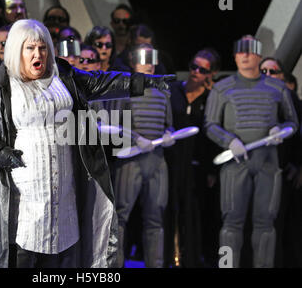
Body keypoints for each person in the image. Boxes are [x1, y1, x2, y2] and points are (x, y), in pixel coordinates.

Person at [0, 19, 172, 268]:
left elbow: (101, 82)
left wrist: (143, 83)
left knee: (62, 251)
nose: (38, 54)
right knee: (23, 252)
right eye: (30, 48)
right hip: (22, 189)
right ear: (16, 50)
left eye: (42, 48)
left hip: (64, 185)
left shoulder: (62, 75)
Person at [204, 35, 299, 268]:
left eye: (250, 50)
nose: (245, 55)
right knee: (230, 225)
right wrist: (229, 141)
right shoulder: (221, 88)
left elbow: (293, 122)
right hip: (235, 164)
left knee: (266, 224)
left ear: (259, 55)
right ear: (235, 55)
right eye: (240, 50)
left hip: (268, 163)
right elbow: (210, 124)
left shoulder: (277, 88)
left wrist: (281, 129)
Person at [110, 43, 174, 268]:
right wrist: (135, 138)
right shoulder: (123, 88)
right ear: (133, 61)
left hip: (156, 160)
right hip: (130, 160)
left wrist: (169, 135)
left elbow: (169, 125)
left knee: (156, 220)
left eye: (151, 59)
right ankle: (114, 268)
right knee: (119, 218)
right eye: (143, 59)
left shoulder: (163, 91)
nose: (148, 64)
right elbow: (114, 126)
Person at [164, 48, 222, 268]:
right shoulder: (174, 90)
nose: (195, 71)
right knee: (168, 209)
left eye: (202, 69)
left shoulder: (212, 98)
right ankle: (169, 257)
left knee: (194, 213)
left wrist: (211, 170)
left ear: (212, 74)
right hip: (171, 161)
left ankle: (192, 259)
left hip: (197, 164)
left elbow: (213, 135)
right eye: (193, 66)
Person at [259, 57, 302, 268]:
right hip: (254, 175)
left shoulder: (291, 99)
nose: (267, 76)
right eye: (263, 71)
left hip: (283, 173)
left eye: (272, 72)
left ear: (282, 77)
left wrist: (298, 164)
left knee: (282, 228)